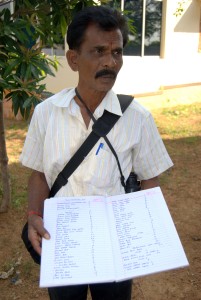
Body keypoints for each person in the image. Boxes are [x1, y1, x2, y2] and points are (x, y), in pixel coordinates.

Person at [20, 5, 173, 300]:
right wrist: (33, 215)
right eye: (99, 51)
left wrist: (144, 236)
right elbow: (39, 174)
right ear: (73, 59)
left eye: (116, 53)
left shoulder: (138, 118)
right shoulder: (46, 114)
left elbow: (150, 182)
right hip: (63, 244)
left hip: (116, 248)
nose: (110, 62)